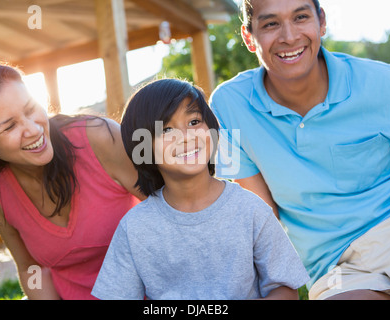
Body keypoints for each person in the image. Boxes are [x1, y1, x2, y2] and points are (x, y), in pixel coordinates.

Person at [209, 0, 390, 300]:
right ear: (249, 37)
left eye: (301, 17)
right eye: (270, 24)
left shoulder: (387, 83)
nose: (289, 36)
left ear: (321, 22)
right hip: (338, 267)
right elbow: (264, 218)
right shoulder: (227, 106)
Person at [91, 78, 309, 300]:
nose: (186, 137)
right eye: (166, 129)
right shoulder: (135, 227)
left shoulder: (250, 209)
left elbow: (285, 289)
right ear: (143, 148)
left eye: (194, 122)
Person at [0, 60, 144, 299]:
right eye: (9, 127)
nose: (34, 130)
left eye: (30, 109)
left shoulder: (99, 137)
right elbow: (31, 267)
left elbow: (175, 213)